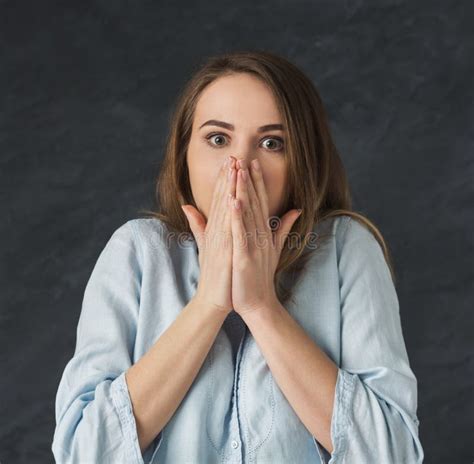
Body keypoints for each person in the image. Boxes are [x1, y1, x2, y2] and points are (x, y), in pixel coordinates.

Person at [51, 50, 424, 464]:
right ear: (184, 155)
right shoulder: (137, 252)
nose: (240, 167)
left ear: (303, 160)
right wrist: (210, 302)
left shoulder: (346, 250)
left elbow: (393, 454)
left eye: (271, 143)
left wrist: (261, 306)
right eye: (217, 139)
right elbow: (84, 453)